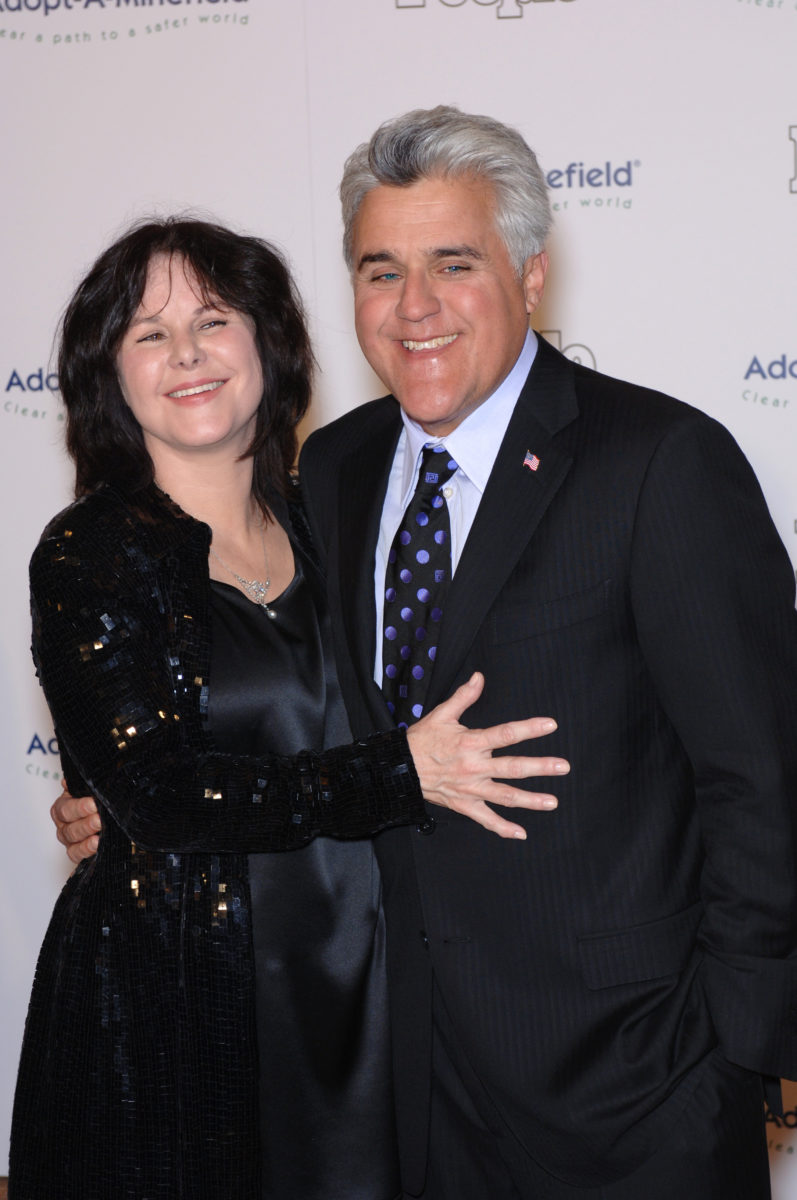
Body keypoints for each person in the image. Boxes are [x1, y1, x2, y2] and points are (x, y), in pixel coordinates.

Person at [11, 216, 570, 1200]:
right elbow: (158, 792)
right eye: (148, 334)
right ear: (111, 376)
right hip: (180, 1001)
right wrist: (397, 771)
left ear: (268, 343)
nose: (185, 354)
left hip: (367, 971)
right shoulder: (88, 553)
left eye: (213, 321)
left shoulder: (342, 516)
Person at [298, 108, 797, 1197]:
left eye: (451, 263)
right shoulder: (328, 471)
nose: (412, 306)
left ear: (528, 275)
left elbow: (759, 776)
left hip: (633, 1101)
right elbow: (308, 720)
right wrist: (151, 797)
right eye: (379, 270)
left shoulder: (661, 465)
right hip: (398, 1095)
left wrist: (734, 1058)